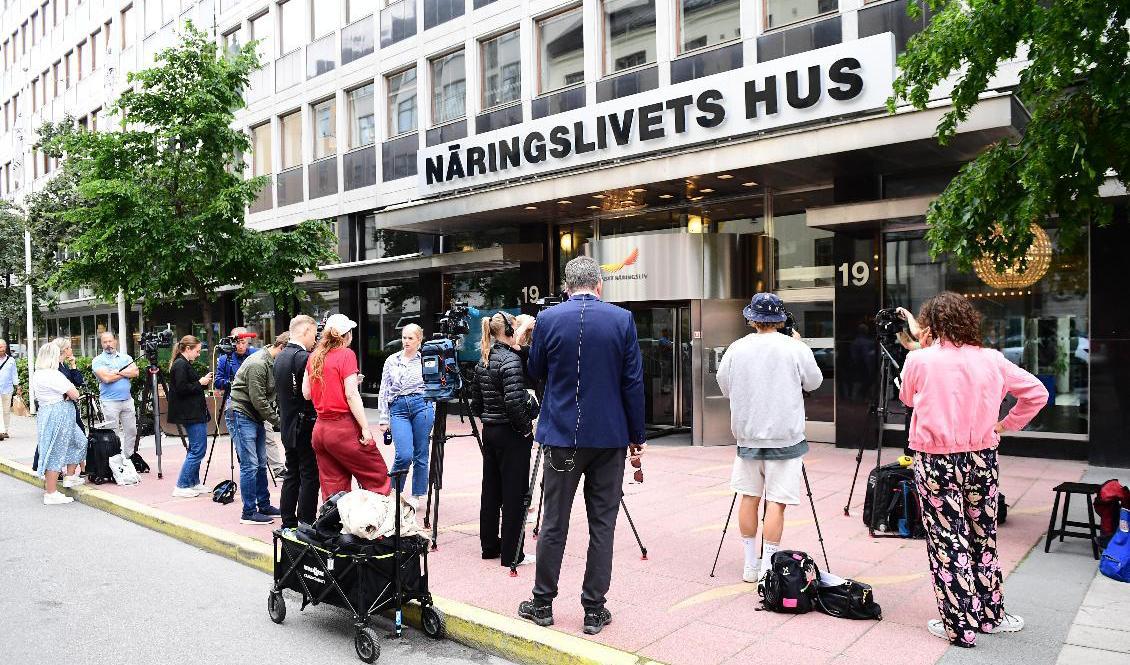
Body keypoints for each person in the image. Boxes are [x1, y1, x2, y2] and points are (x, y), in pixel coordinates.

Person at [898, 292, 1048, 648]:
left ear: (930, 325)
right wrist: (1006, 424)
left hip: (935, 459)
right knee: (984, 534)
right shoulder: (993, 359)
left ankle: (960, 625)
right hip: (982, 457)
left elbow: (907, 398)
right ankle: (991, 615)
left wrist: (919, 345)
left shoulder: (920, 360)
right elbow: (1037, 393)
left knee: (947, 539)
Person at [517, 256, 645, 636]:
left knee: (554, 522)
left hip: (562, 435)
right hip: (609, 437)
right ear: (599, 285)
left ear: (567, 287)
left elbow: (535, 371)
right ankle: (593, 609)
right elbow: (633, 383)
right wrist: (637, 437)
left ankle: (542, 603)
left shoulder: (550, 320)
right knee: (602, 524)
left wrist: (527, 339)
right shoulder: (622, 320)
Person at [716, 293, 823, 584]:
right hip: (785, 439)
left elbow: (724, 386)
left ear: (751, 319)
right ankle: (768, 567)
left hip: (748, 436)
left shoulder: (736, 348)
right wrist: (799, 345)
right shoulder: (793, 347)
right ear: (781, 319)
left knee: (748, 497)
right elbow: (814, 381)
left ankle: (750, 564)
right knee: (776, 502)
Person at [470, 311, 537, 568]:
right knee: (514, 494)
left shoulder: (483, 359)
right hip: (510, 432)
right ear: (509, 331)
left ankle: (490, 547)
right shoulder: (510, 361)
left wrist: (491, 415)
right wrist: (525, 427)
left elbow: (476, 403)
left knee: (491, 491)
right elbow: (514, 403)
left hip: (491, 430)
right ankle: (513, 554)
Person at [302, 314, 390, 499]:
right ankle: (380, 520)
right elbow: (351, 395)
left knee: (333, 484)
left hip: (320, 429)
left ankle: (336, 523)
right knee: (376, 473)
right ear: (347, 335)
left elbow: (307, 393)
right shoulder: (346, 354)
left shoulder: (314, 356)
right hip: (342, 427)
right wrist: (365, 428)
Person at [228, 332, 288, 525]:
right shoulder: (258, 364)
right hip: (242, 414)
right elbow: (258, 399)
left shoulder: (272, 362)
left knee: (261, 463)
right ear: (282, 348)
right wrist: (279, 422)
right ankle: (248, 512)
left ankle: (264, 505)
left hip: (254, 415)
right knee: (250, 464)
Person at [215, 327, 286, 477]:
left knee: (268, 439)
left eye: (243, 342)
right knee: (249, 458)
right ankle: (247, 471)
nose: (240, 346)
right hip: (239, 405)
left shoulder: (257, 354)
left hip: (259, 406)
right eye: (237, 342)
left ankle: (278, 469)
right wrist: (232, 382)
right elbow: (218, 382)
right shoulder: (224, 358)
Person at [376, 323, 434, 505]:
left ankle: (417, 495)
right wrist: (384, 418)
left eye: (410, 338)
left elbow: (434, 386)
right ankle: (393, 491)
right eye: (404, 337)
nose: (406, 341)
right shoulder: (392, 360)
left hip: (421, 405)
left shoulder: (426, 359)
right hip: (398, 407)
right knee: (404, 454)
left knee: (421, 453)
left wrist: (432, 408)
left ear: (419, 340)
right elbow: (384, 390)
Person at [276, 315, 320, 528]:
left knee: (292, 472)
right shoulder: (303, 357)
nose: (315, 338)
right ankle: (306, 521)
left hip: (287, 423)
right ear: (305, 331)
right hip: (304, 423)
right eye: (313, 333)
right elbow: (308, 394)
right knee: (309, 473)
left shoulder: (281, 356)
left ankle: (288, 520)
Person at [31, 342, 88, 505]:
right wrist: (67, 395)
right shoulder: (53, 375)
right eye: (58, 355)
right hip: (59, 414)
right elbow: (75, 393)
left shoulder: (38, 374)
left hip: (52, 412)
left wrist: (66, 395)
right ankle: (51, 492)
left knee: (79, 441)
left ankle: (69, 477)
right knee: (56, 451)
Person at [167, 335, 214, 498]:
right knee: (198, 450)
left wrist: (200, 383)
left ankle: (193, 483)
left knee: (196, 449)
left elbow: (183, 387)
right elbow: (181, 388)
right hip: (190, 413)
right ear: (188, 349)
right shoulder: (180, 364)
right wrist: (200, 383)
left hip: (192, 412)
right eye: (197, 351)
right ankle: (182, 485)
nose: (198, 354)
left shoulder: (181, 363)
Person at [91, 332, 139, 465]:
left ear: (115, 341)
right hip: (110, 402)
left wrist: (117, 372)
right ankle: (115, 460)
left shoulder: (125, 357)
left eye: (110, 341)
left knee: (131, 430)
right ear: (101, 344)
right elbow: (106, 378)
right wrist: (125, 373)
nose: (108, 345)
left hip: (127, 400)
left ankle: (129, 457)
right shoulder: (98, 360)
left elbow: (135, 372)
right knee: (113, 433)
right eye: (105, 342)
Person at [0, 339, 19, 441]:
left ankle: (5, 430)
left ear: (5, 347)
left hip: (7, 389)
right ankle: (1, 431)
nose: (0, 349)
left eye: (1, 347)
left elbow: (14, 374)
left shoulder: (11, 360)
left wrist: (17, 386)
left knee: (6, 411)